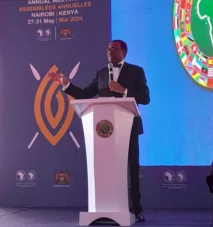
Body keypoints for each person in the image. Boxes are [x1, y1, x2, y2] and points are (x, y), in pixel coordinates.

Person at [47, 39, 150, 223]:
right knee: (106, 168)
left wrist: (123, 90)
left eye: (113, 49)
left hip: (129, 129)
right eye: (108, 49)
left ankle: (136, 210)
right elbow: (85, 94)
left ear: (123, 52)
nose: (109, 51)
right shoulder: (101, 73)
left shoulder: (136, 71)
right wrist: (66, 84)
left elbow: (145, 98)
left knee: (131, 169)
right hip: (105, 132)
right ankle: (105, 208)